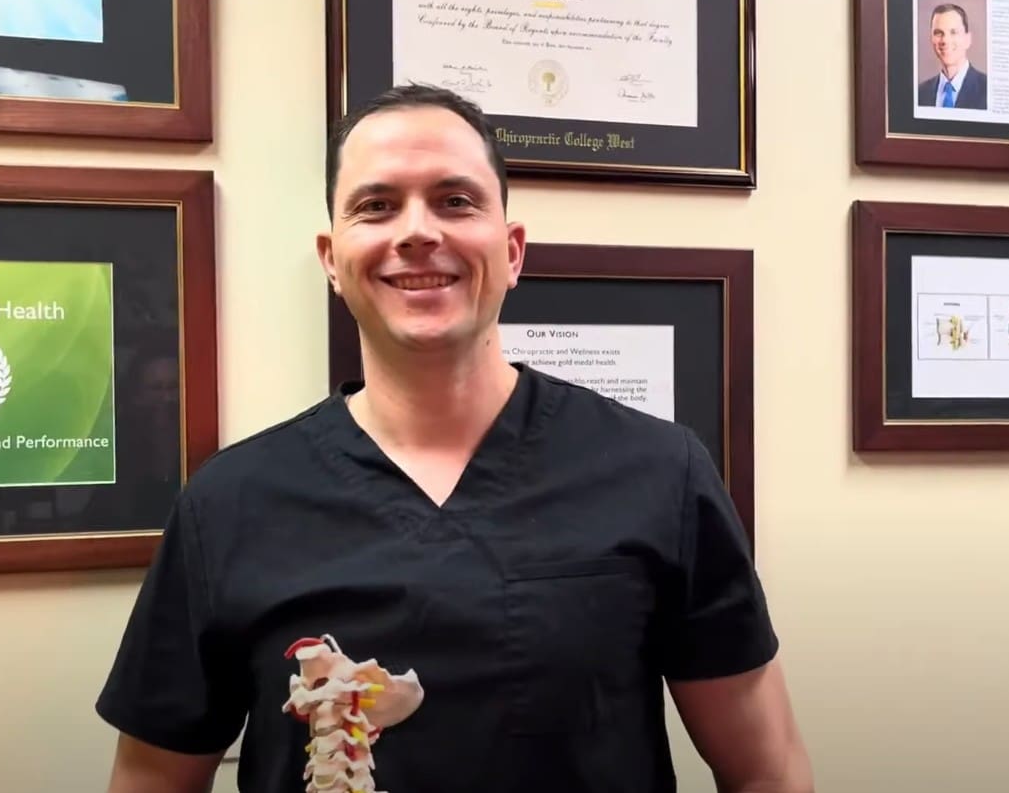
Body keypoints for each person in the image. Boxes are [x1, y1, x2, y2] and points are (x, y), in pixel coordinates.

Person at [95, 82, 814, 793]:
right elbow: (150, 778)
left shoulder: (659, 471)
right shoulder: (228, 502)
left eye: (455, 200)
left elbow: (765, 768)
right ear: (330, 259)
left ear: (512, 251)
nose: (417, 231)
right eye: (376, 205)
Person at [917, 3, 988, 110]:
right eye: (938, 33)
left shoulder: (988, 90)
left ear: (968, 39)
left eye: (953, 32)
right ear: (931, 38)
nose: (945, 40)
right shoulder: (920, 93)